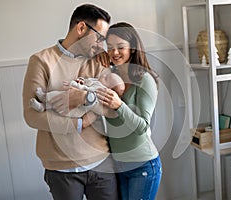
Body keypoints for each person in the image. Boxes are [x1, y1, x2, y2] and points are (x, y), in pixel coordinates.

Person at [22, 4, 119, 200]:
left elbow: (111, 105)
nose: (102, 45)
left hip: (101, 161)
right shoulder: (41, 61)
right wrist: (79, 123)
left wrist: (87, 99)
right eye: (100, 38)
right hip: (60, 167)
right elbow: (32, 116)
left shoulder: (97, 61)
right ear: (81, 28)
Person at [96, 22, 162, 200]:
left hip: (143, 167)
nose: (114, 52)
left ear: (132, 48)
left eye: (120, 47)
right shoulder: (108, 77)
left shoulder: (145, 79)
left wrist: (119, 105)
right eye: (110, 47)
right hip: (118, 166)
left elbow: (143, 126)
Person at [29, 69, 125, 118]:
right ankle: (43, 105)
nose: (104, 75)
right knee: (59, 98)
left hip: (77, 109)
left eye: (107, 78)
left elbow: (88, 91)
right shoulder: (98, 81)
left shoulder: (102, 90)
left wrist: (75, 84)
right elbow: (88, 82)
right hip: (76, 104)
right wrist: (82, 80)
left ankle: (44, 99)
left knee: (58, 98)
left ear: (109, 89)